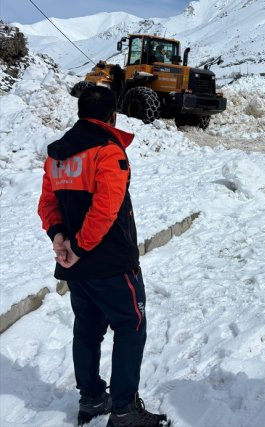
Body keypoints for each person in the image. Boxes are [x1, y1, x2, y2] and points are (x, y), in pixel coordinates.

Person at [38, 86, 170, 427]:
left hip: (75, 266)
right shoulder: (108, 152)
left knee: (87, 329)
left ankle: (93, 399)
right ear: (112, 116)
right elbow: (106, 209)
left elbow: (48, 205)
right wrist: (79, 246)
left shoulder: (56, 155)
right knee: (131, 325)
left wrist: (60, 239)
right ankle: (124, 410)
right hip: (111, 263)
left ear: (81, 113)